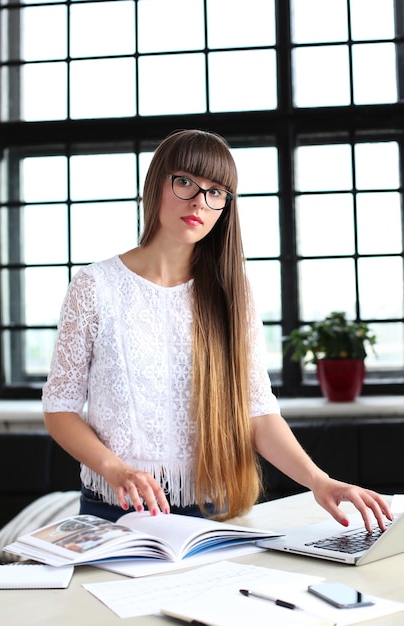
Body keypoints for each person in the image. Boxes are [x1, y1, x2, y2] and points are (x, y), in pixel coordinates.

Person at [43, 128, 392, 532]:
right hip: (114, 512)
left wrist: (319, 480)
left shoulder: (232, 294)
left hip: (212, 516)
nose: (198, 201)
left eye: (215, 192)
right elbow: (60, 408)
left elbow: (258, 412)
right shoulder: (94, 286)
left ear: (225, 206)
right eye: (185, 181)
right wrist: (115, 469)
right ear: (157, 183)